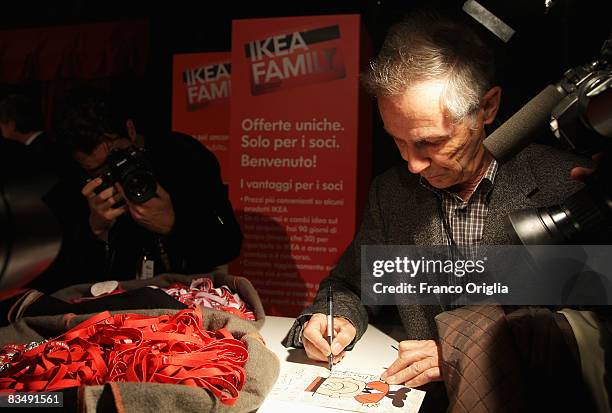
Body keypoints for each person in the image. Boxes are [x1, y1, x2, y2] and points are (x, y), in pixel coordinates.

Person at [283, 11, 592, 402]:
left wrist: (464, 354)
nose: (412, 165)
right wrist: (336, 316)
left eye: (430, 142)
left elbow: (593, 331)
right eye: (398, 141)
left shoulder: (568, 185)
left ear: (488, 108)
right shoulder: (393, 192)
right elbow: (352, 285)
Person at [27, 88, 242, 292]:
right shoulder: (67, 180)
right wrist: (94, 231)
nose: (114, 172)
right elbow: (54, 281)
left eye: (120, 156)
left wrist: (173, 225)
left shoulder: (182, 157)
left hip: (179, 303)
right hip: (107, 310)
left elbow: (228, 244)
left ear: (130, 130)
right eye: (98, 170)